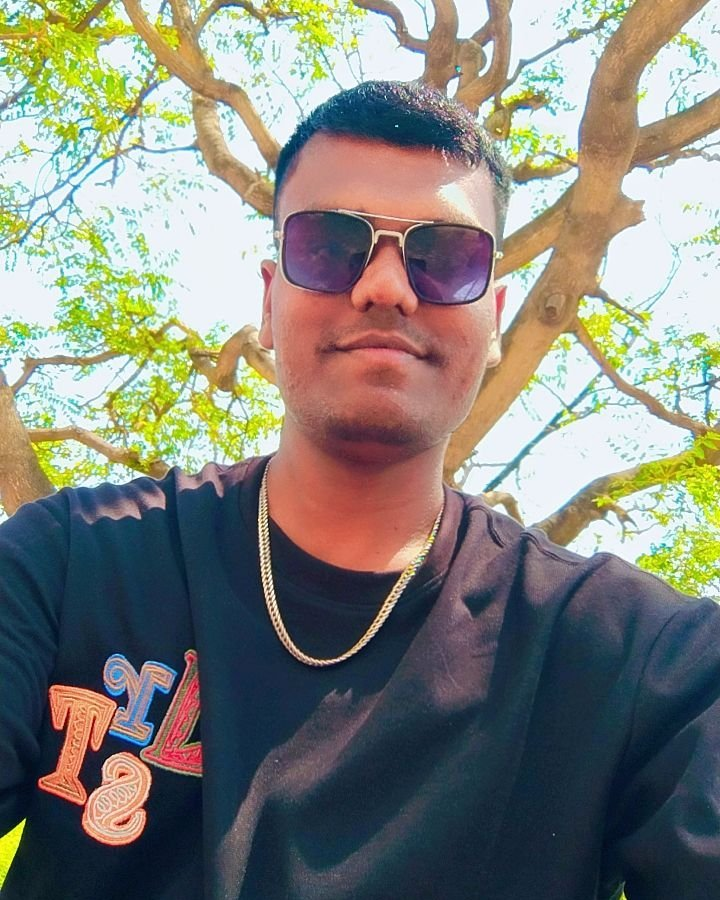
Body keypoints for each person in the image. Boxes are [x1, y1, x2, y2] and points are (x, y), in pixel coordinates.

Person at [0, 80, 719, 900]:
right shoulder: (70, 564)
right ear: (269, 301)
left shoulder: (641, 660)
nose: (386, 287)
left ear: (494, 318)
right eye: (331, 246)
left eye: (444, 258)